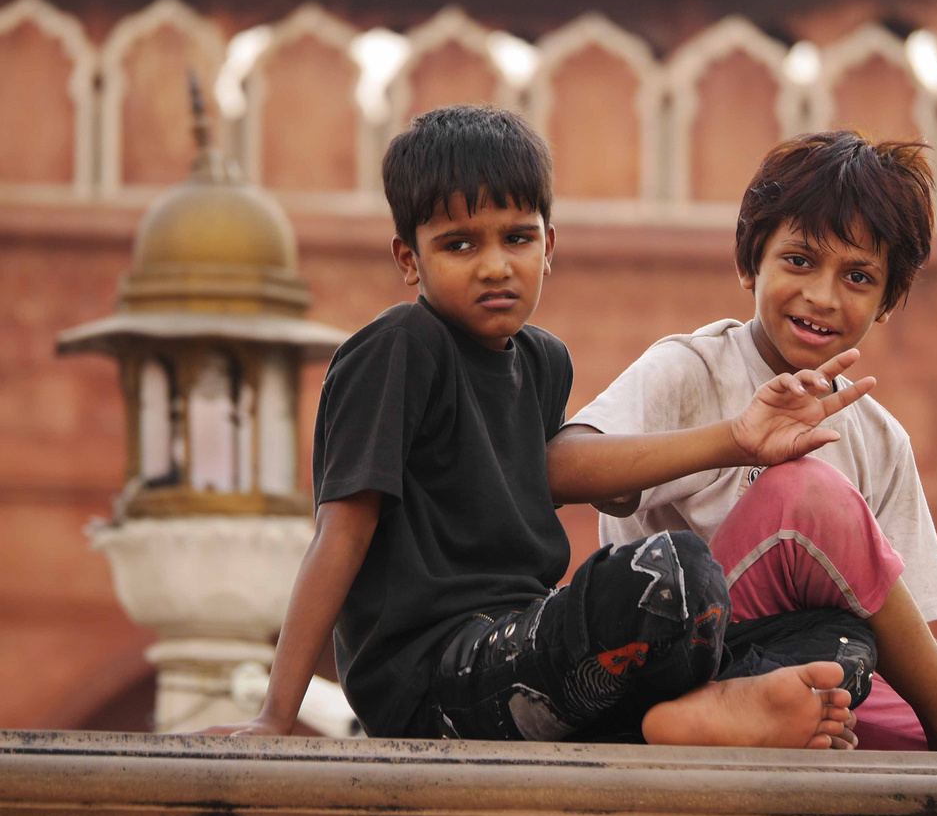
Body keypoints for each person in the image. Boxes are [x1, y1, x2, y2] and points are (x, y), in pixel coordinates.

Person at [202, 105, 869, 749]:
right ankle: (666, 721)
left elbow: (566, 478)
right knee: (672, 572)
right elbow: (340, 533)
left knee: (843, 637)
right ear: (410, 260)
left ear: (548, 246)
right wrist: (274, 716)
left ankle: (682, 718)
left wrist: (738, 439)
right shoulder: (400, 347)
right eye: (459, 244)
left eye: (516, 238)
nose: (495, 266)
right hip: (431, 680)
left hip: (530, 651)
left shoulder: (543, 360)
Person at [552, 131, 937, 755]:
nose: (822, 296)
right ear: (750, 263)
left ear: (887, 302)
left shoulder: (878, 438)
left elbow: (900, 645)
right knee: (806, 494)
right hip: (675, 653)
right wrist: (733, 443)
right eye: (799, 260)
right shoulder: (696, 369)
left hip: (809, 666)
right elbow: (563, 466)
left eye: (857, 276)